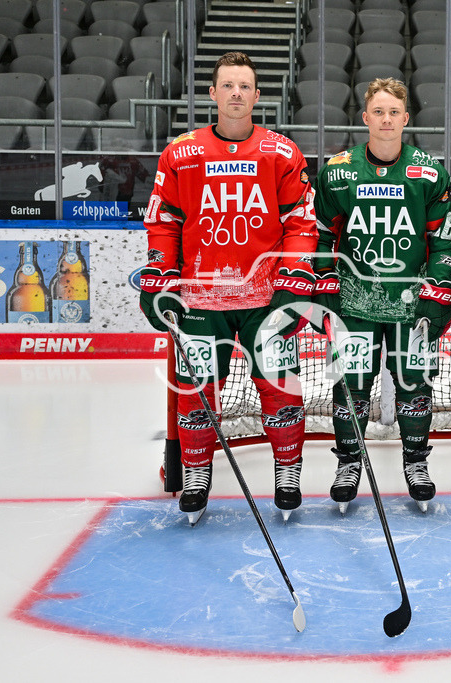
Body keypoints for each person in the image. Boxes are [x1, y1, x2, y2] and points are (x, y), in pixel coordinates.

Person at [139, 52, 318, 525]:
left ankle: (288, 471)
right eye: (228, 85)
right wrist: (160, 273)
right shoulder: (181, 152)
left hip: (265, 300)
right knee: (198, 390)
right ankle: (196, 474)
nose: (236, 93)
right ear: (213, 94)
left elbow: (300, 220)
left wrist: (294, 277)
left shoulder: (281, 152)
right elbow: (164, 220)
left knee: (281, 388)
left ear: (258, 97)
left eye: (245, 86)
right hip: (200, 297)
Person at [312, 77, 451, 513]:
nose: (386, 119)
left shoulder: (429, 173)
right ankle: (348, 463)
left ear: (406, 118)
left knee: (415, 385)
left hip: (411, 308)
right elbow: (321, 237)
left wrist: (436, 294)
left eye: (394, 112)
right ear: (365, 117)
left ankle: (415, 462)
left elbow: (444, 244)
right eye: (378, 111)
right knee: (351, 386)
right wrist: (325, 289)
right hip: (354, 306)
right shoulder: (337, 172)